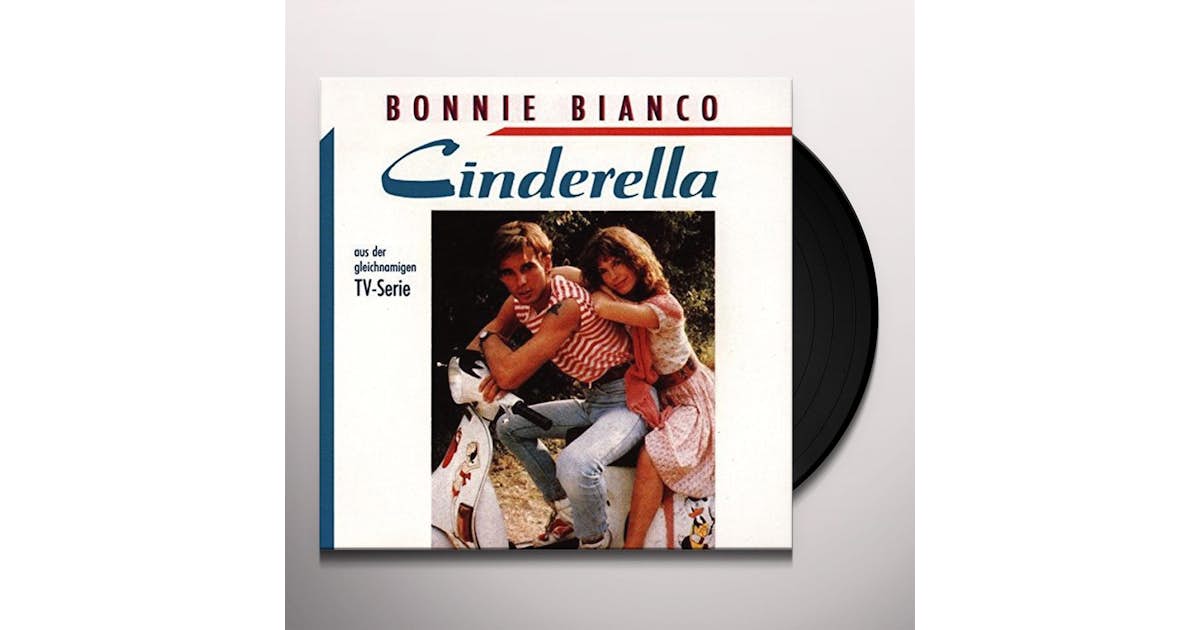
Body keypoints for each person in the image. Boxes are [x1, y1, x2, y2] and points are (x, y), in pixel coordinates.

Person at [468, 221, 653, 549]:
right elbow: (488, 339)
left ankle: (595, 543)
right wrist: (465, 363)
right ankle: (567, 511)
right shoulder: (521, 302)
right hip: (593, 398)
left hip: (628, 399)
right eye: (509, 273)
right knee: (510, 426)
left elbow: (508, 372)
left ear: (547, 263)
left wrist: (487, 338)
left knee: (575, 464)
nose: (520, 281)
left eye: (528, 267)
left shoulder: (566, 305)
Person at [557, 226, 715, 549]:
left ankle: (633, 547)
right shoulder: (629, 299)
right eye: (604, 271)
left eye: (617, 263)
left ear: (636, 259)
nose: (613, 275)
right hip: (663, 394)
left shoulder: (664, 307)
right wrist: (544, 275)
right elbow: (573, 275)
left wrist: (595, 288)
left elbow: (602, 307)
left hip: (691, 397)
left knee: (654, 454)